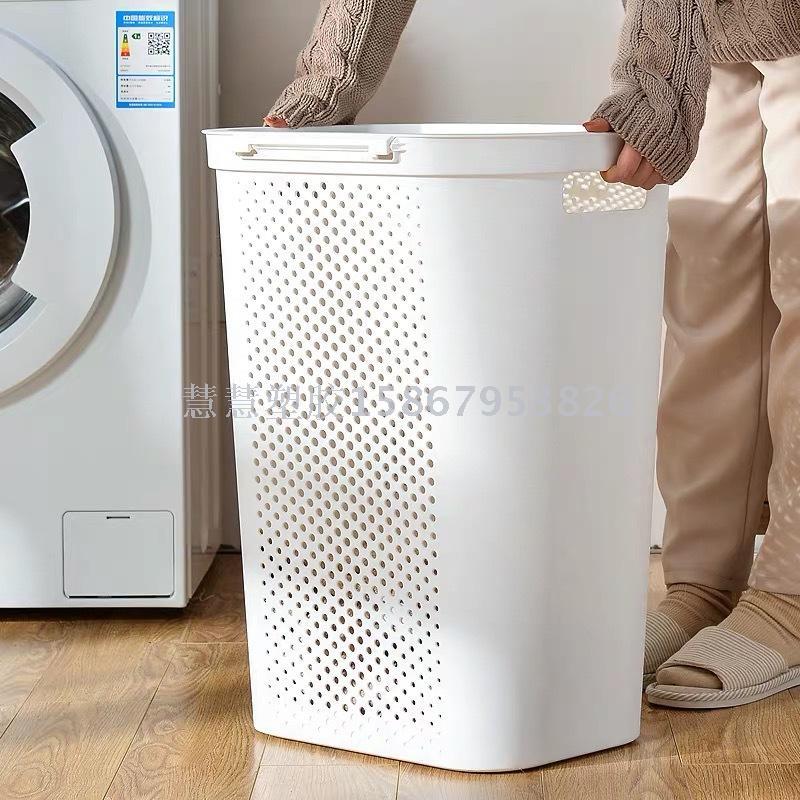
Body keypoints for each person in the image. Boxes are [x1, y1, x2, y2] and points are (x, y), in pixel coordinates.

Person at [265, 0, 800, 709]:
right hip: (712, 28)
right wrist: (331, 80)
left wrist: (654, 83)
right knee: (709, 289)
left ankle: (791, 593)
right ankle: (703, 581)